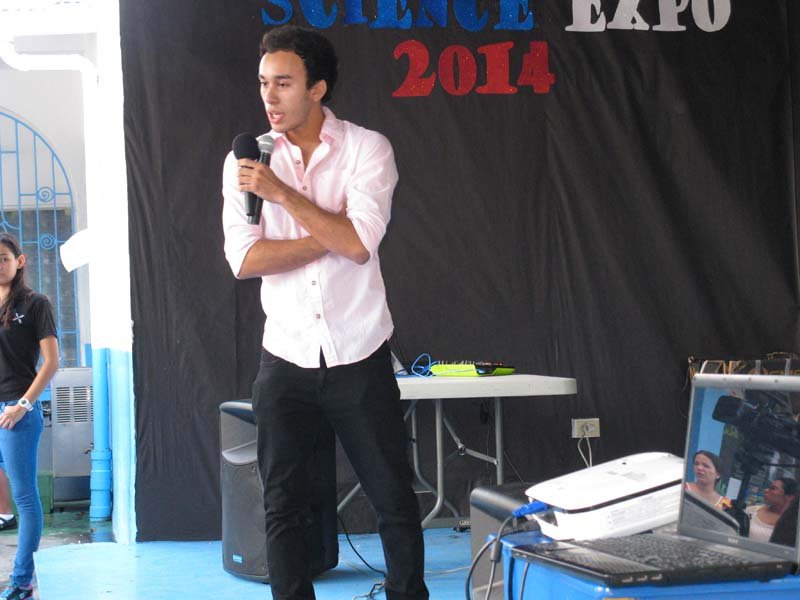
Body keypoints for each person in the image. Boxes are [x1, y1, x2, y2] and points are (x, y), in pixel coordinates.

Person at [222, 26, 428, 600]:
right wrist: (332, 233)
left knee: (392, 498)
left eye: (283, 83)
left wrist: (284, 196)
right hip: (284, 356)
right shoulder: (245, 161)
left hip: (358, 352)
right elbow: (245, 259)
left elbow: (360, 245)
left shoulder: (367, 149)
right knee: (282, 504)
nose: (269, 96)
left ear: (318, 88)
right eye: (263, 83)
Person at [0, 233, 59, 600]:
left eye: (3, 258)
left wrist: (22, 405)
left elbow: (51, 362)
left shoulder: (35, 304)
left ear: (19, 261)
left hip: (16, 412)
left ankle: (22, 581)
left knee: (24, 497)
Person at [746, 477, 798, 543]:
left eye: (773, 488)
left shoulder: (795, 524)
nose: (766, 490)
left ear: (789, 497)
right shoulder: (752, 511)